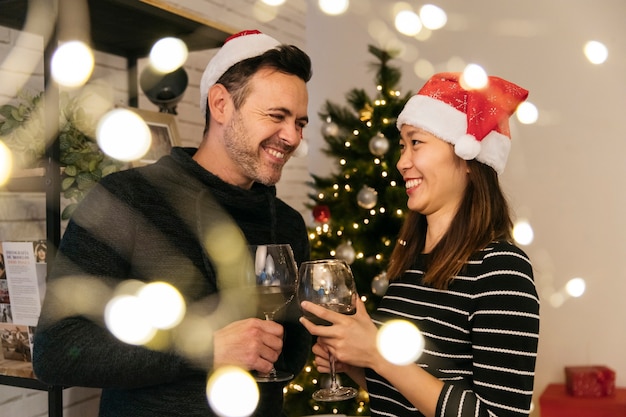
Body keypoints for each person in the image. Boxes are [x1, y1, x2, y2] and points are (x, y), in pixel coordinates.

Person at [33, 29, 313, 417]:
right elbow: (57, 352)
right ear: (220, 104)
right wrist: (204, 349)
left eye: (299, 122)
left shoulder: (287, 224)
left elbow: (289, 353)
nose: (292, 136)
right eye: (276, 116)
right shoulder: (127, 199)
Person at [300, 72, 540, 417]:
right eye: (402, 145)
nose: (401, 161)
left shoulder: (502, 269)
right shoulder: (410, 262)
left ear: (467, 157)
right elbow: (408, 394)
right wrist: (356, 363)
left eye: (417, 142)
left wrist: (378, 355)